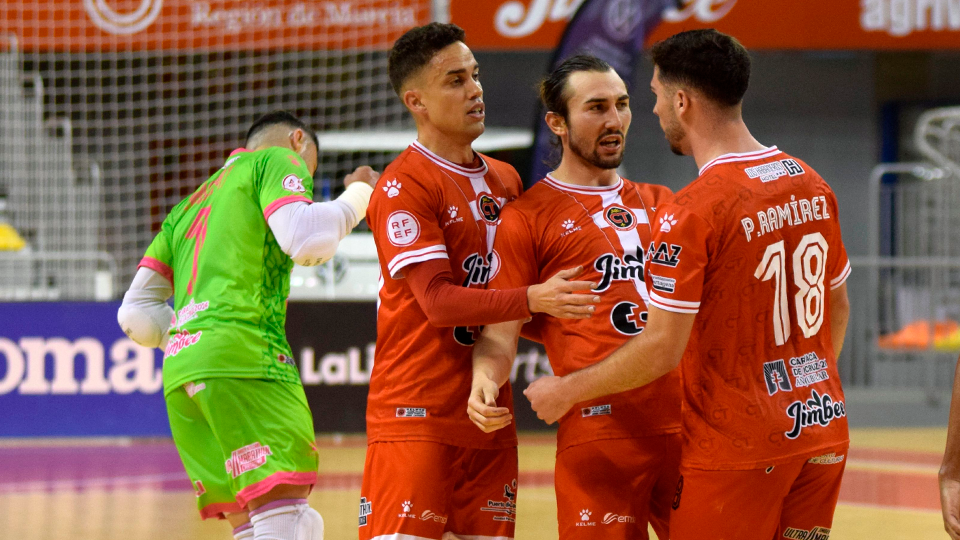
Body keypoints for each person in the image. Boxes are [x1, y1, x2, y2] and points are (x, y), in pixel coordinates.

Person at [524, 29, 852, 539]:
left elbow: (660, 348)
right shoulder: (811, 182)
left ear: (682, 100)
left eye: (651, 97)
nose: (652, 113)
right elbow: (838, 308)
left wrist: (566, 390)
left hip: (740, 446)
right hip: (822, 427)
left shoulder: (693, 208)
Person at [361, 22, 599, 540]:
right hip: (416, 413)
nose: (475, 89)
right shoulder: (407, 185)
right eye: (455, 80)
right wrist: (537, 297)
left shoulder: (505, 180)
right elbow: (439, 303)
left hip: (488, 415)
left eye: (476, 74)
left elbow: (512, 306)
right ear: (416, 101)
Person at [117, 110, 379, 540]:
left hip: (183, 374)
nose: (303, 185)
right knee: (291, 522)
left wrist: (195, 337)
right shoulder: (276, 160)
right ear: (298, 142)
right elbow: (309, 241)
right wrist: (359, 194)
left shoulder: (189, 204)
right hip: (245, 355)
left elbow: (135, 314)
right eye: (307, 173)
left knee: (258, 528)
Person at [467, 54, 681, 540]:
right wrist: (484, 378)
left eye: (623, 105)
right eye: (597, 107)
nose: (614, 120)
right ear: (557, 123)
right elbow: (500, 330)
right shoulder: (526, 217)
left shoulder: (664, 202)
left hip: (687, 424)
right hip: (599, 430)